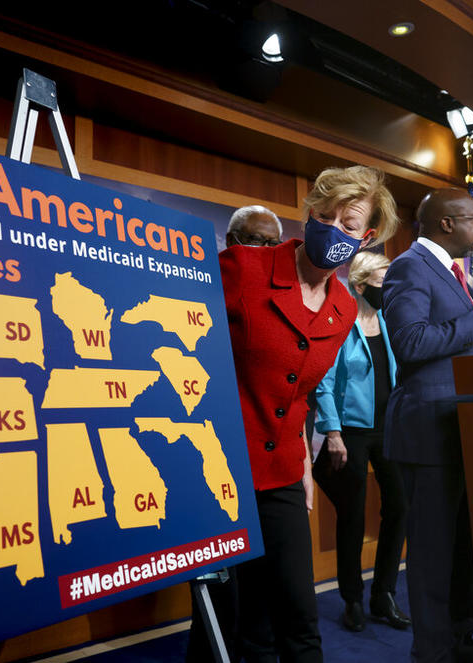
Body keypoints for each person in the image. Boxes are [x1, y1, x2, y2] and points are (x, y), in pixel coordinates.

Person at [221, 165, 399, 662]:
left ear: (365, 237)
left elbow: (301, 393)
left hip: (281, 474)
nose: (333, 227)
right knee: (234, 621)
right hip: (220, 468)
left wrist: (301, 461)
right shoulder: (242, 269)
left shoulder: (344, 309)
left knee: (300, 619)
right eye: (325, 214)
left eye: (349, 223)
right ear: (309, 214)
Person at [381, 187, 473, 663]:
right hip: (428, 435)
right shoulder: (409, 266)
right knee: (434, 560)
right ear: (446, 223)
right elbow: (411, 342)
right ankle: (435, 654)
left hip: (463, 430)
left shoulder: (451, 273)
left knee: (463, 555)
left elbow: (453, 348)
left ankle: (461, 646)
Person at [187, 206, 285, 663]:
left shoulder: (283, 302)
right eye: (250, 240)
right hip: (213, 456)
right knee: (218, 590)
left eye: (271, 244)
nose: (261, 251)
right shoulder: (202, 286)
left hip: (270, 462)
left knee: (265, 586)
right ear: (228, 240)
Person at [312, 250, 410, 633]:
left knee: (400, 506)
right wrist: (332, 432)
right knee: (352, 514)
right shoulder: (339, 321)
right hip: (350, 432)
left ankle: (383, 594)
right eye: (385, 282)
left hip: (391, 427)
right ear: (360, 284)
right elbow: (322, 381)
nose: (390, 289)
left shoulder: (388, 319)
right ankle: (351, 597)